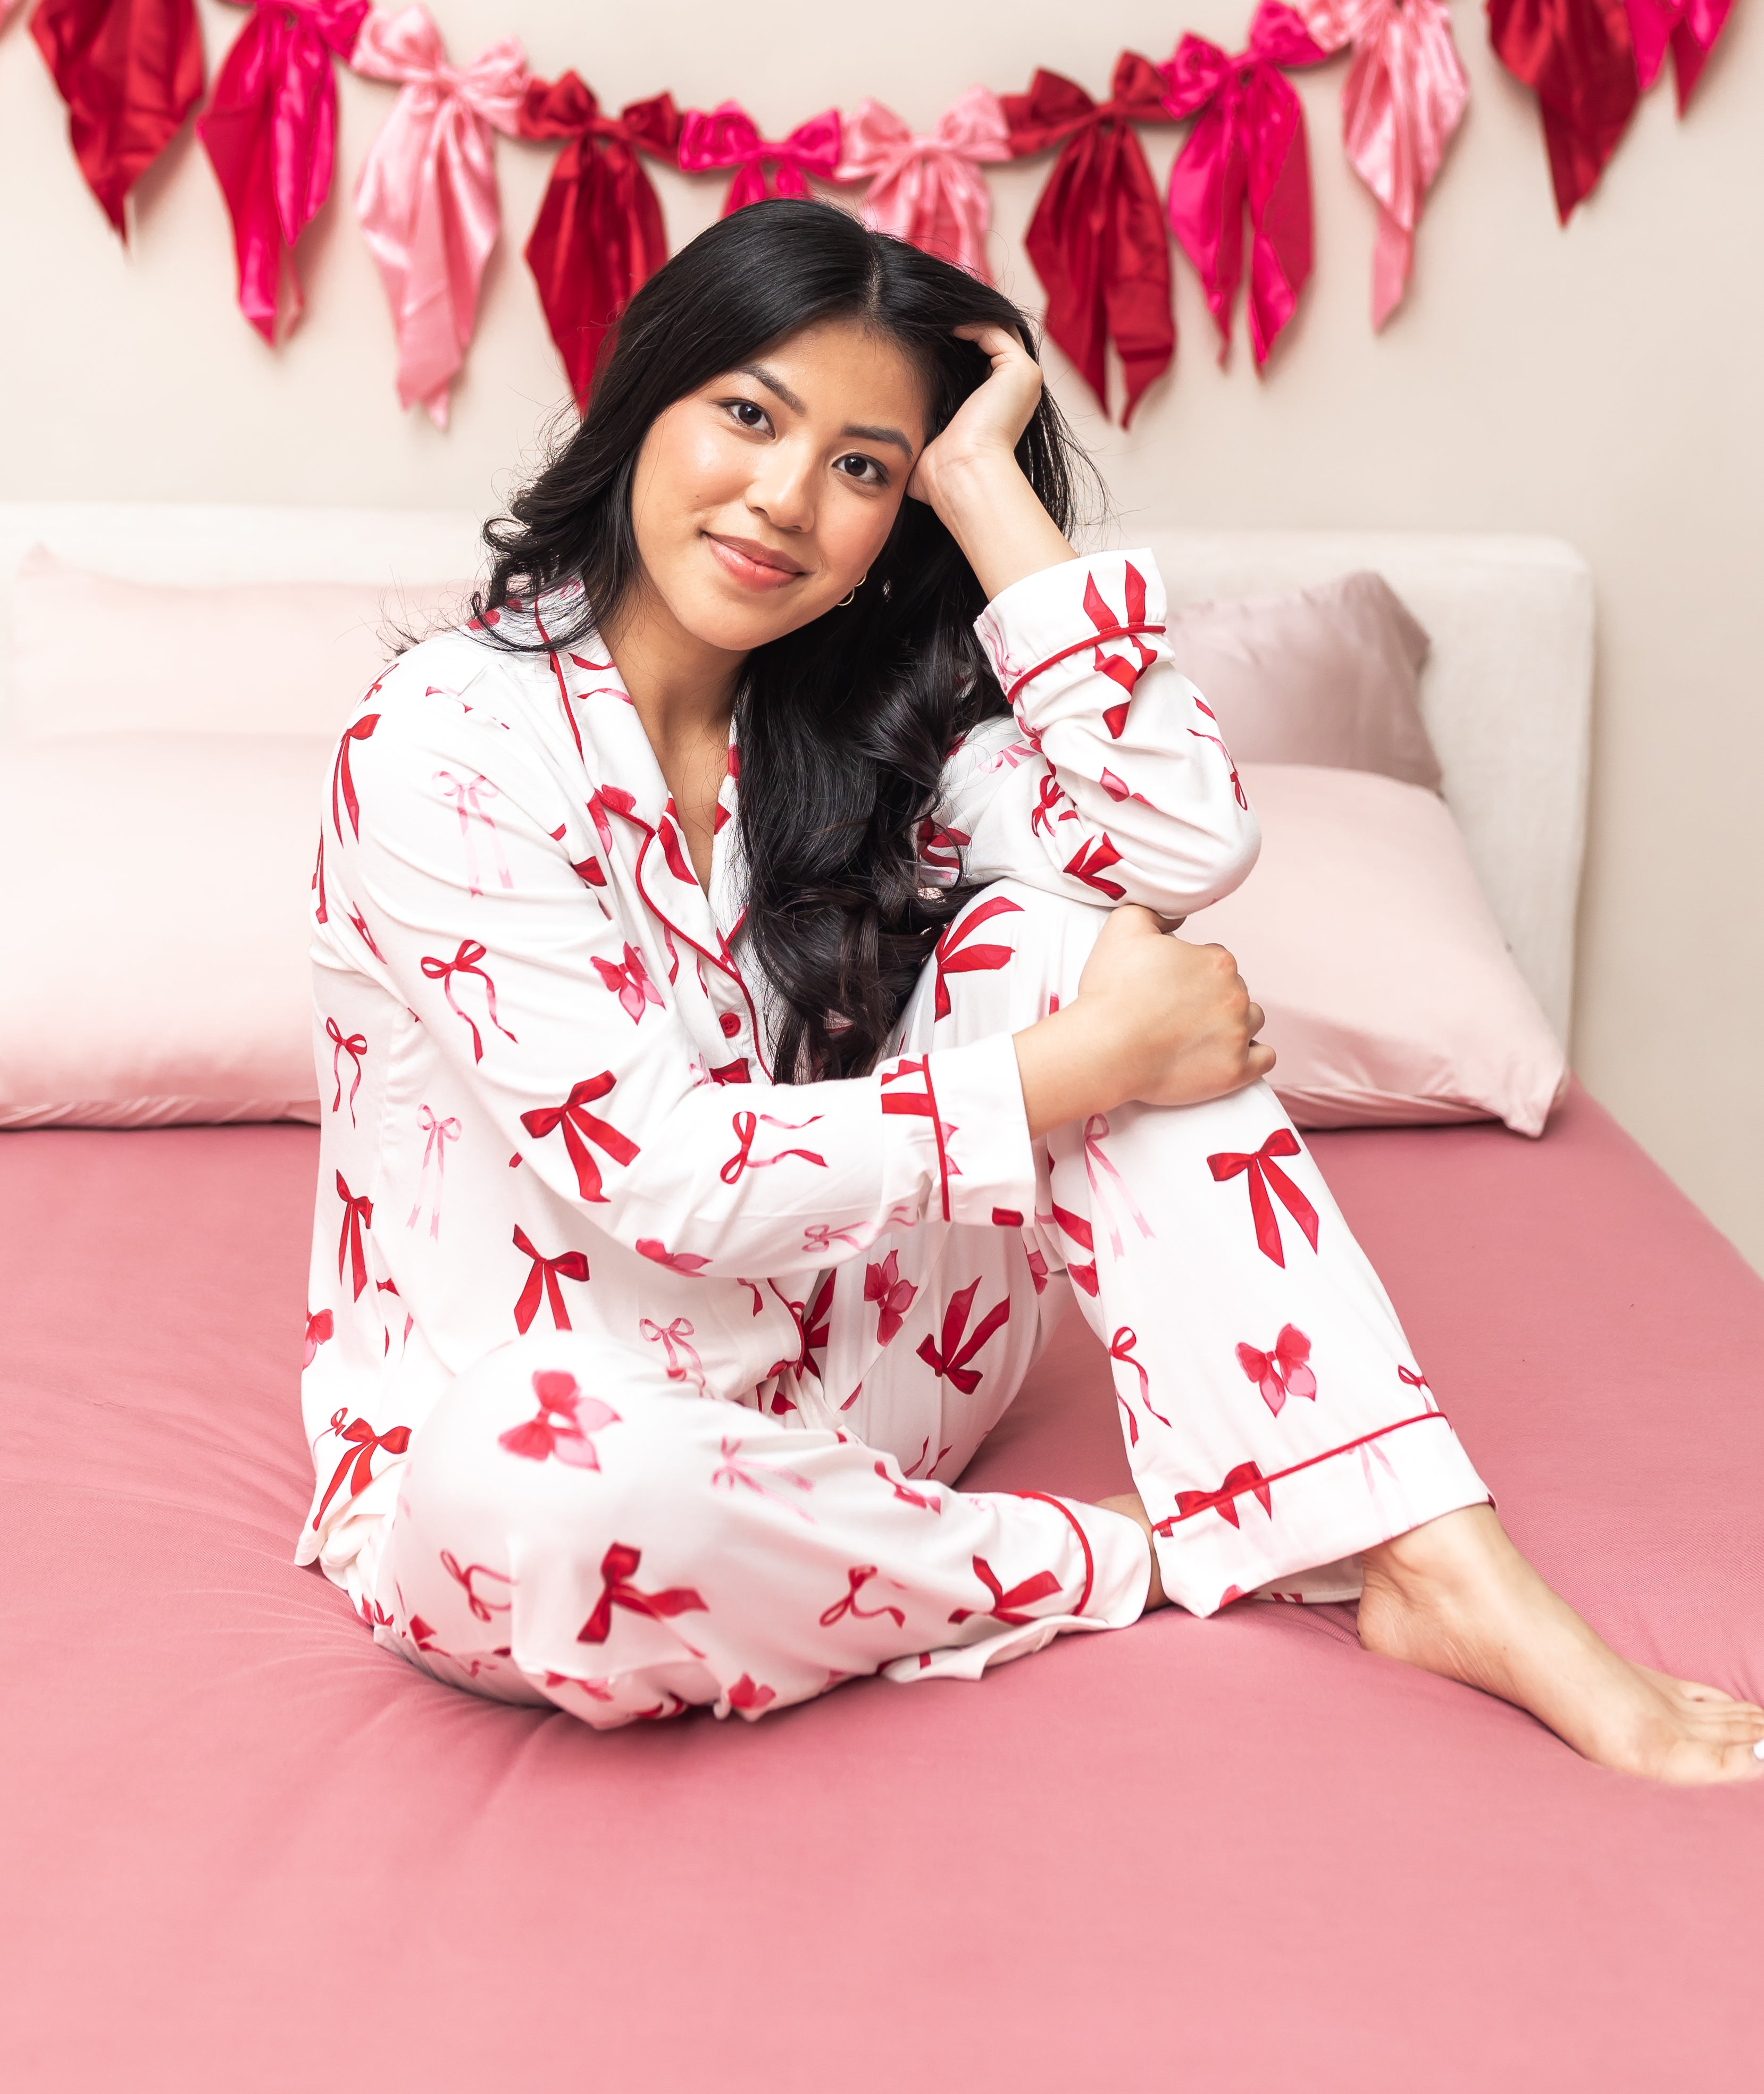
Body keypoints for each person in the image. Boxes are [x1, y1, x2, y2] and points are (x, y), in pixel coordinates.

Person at [299, 198, 1762, 1780]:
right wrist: (1079, 1071)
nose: (785, 499)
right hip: (558, 1461)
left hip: (861, 1382)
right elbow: (657, 1174)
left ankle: (1440, 1562)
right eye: (749, 416)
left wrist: (990, 489)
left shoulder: (862, 729)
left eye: (863, 466)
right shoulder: (444, 741)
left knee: (1060, 950)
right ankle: (1120, 1547)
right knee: (542, 1491)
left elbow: (1184, 840)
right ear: (642, 399)